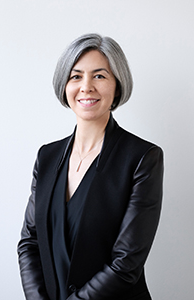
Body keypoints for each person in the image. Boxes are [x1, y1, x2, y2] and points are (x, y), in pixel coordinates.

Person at [17, 33, 164, 300]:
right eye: (76, 76)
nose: (86, 86)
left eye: (99, 76)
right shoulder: (47, 157)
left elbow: (125, 265)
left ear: (117, 86)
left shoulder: (143, 158)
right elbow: (29, 243)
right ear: (64, 85)